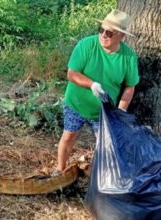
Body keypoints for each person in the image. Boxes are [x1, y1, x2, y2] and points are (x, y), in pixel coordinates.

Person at [52, 9, 139, 176]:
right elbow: (71, 74)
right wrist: (91, 84)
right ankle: (59, 169)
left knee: (106, 145)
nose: (103, 35)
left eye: (109, 33)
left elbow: (130, 86)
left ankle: (102, 178)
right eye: (102, 30)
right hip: (76, 103)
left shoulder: (128, 57)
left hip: (104, 112)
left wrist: (120, 111)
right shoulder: (86, 45)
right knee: (69, 136)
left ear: (121, 36)